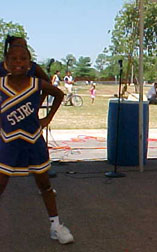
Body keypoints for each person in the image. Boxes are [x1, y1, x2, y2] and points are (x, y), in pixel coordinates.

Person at [0, 44, 74, 244]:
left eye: (23, 59)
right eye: (14, 59)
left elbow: (58, 94)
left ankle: (56, 225)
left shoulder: (36, 84)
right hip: (8, 142)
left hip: (33, 141)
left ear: (29, 63)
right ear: (6, 63)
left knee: (44, 184)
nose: (18, 63)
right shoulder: (1, 84)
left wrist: (47, 118)